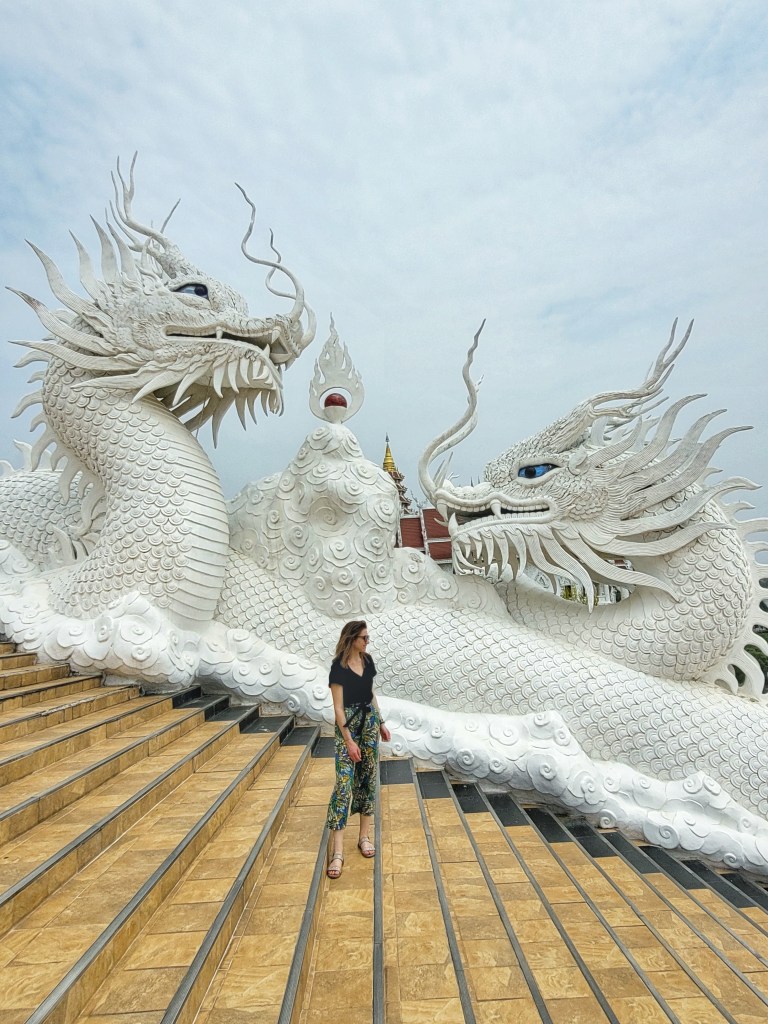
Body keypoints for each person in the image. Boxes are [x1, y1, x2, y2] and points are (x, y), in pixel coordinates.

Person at [326, 620, 391, 879]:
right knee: (343, 785)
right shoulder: (338, 668)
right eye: (364, 638)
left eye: (368, 638)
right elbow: (338, 707)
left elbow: (370, 693)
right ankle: (338, 851)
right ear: (352, 638)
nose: (367, 642)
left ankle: (364, 837)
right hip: (348, 729)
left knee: (367, 780)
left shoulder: (368, 661)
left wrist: (381, 721)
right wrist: (349, 741)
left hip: (369, 727)